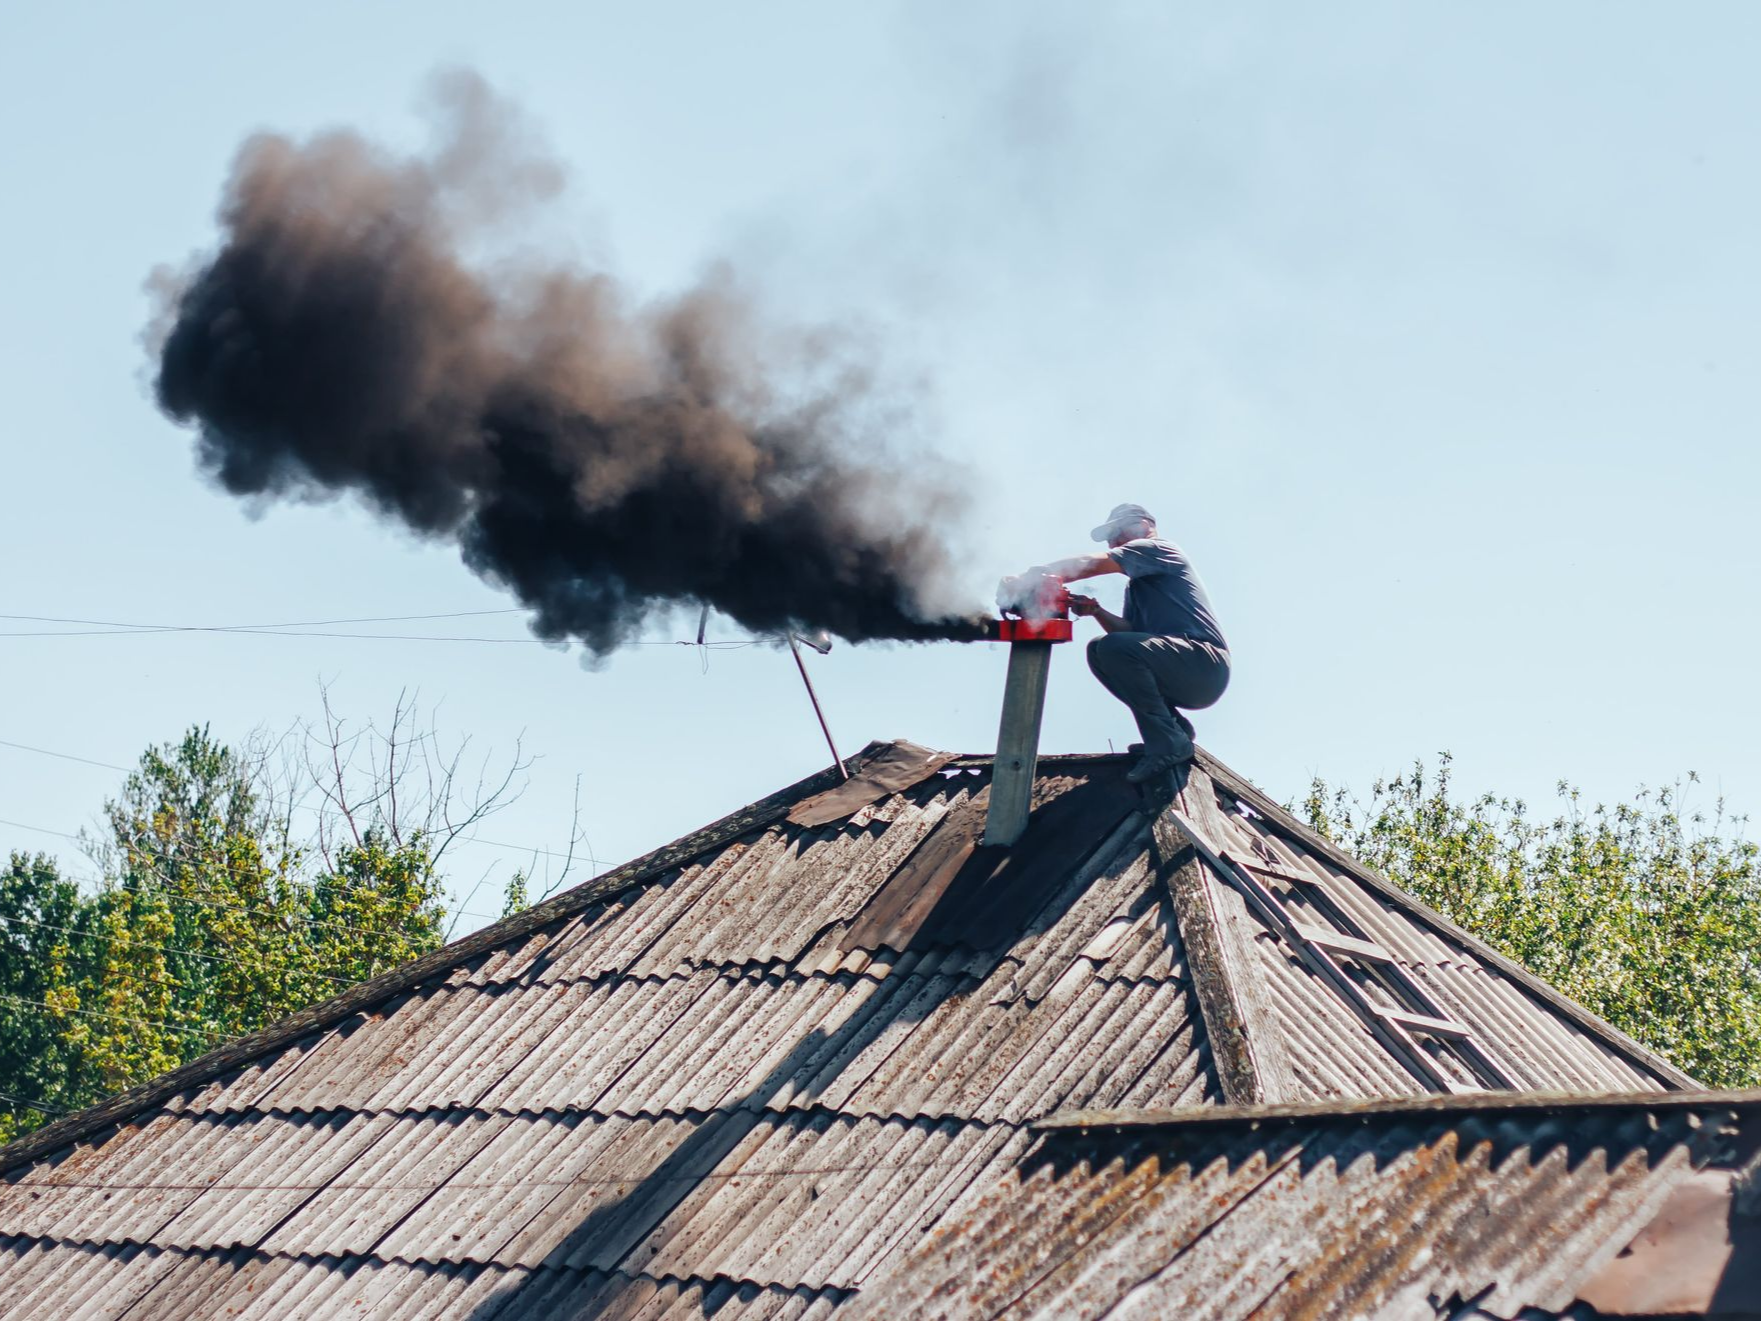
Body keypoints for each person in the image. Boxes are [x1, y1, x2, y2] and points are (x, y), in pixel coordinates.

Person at [1000, 502, 1230, 784]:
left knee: (1114, 648)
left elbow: (1091, 564)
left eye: (1117, 532)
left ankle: (1168, 742)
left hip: (1203, 662)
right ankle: (1173, 731)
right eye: (1110, 537)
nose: (1113, 541)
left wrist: (1030, 578)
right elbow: (1130, 631)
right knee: (1099, 649)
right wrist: (1096, 611)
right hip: (1186, 668)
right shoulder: (1138, 586)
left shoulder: (1159, 548)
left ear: (1144, 525)